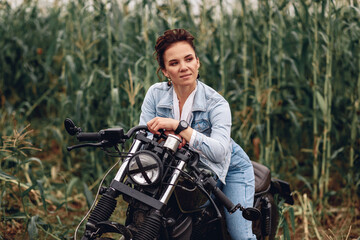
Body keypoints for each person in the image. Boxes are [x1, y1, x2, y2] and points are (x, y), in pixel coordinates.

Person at [139, 28, 256, 240]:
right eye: (174, 63)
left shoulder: (216, 103)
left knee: (240, 235)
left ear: (197, 62)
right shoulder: (155, 94)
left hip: (228, 168)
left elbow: (219, 153)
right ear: (165, 71)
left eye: (189, 59)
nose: (184, 67)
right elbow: (144, 138)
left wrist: (179, 127)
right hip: (179, 170)